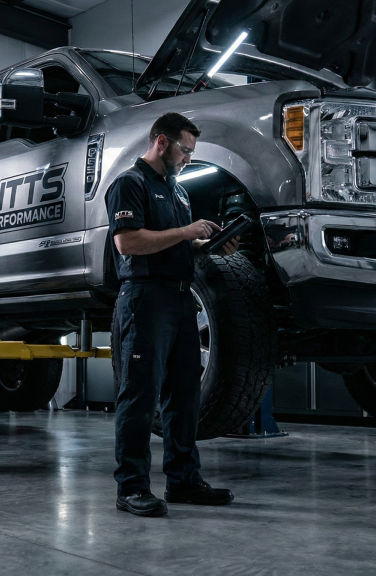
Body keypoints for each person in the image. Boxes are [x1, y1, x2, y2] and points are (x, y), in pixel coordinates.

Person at [106, 112, 240, 517]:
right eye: (185, 150)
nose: (187, 158)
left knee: (183, 397)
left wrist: (207, 246)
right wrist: (186, 232)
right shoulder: (129, 185)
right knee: (140, 394)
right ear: (161, 142)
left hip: (182, 300)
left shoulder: (177, 193)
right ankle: (131, 488)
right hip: (146, 300)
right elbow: (128, 242)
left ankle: (183, 480)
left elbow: (172, 245)